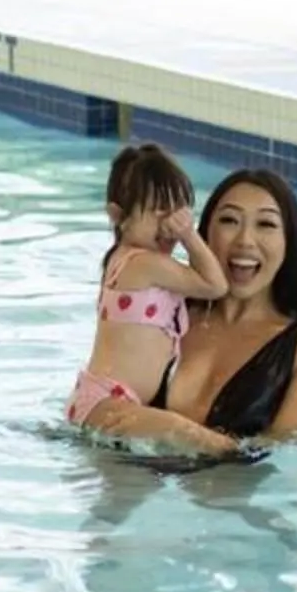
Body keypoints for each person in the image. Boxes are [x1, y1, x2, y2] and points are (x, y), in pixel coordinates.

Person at [163, 168, 297, 440]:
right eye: (229, 220)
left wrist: (176, 430)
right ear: (205, 234)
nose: (245, 241)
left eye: (266, 224)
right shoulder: (166, 315)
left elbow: (279, 458)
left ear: (288, 242)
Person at [67, 144, 227, 433]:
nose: (169, 226)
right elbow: (215, 285)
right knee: (192, 436)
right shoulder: (144, 264)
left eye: (176, 212)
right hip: (109, 401)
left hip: (99, 399)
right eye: (157, 212)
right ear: (118, 216)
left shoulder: (120, 260)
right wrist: (189, 236)